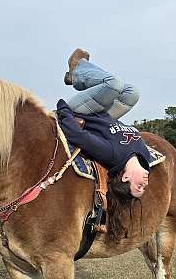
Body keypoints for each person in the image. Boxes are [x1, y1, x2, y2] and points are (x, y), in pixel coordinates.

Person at [56, 49, 150, 198]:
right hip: (103, 115)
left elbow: (78, 135)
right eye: (144, 187)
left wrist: (63, 108)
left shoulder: (112, 155)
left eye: (139, 186)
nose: (145, 183)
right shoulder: (145, 157)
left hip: (80, 112)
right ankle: (84, 78)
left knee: (114, 84)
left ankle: (77, 70)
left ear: (126, 177)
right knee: (133, 93)